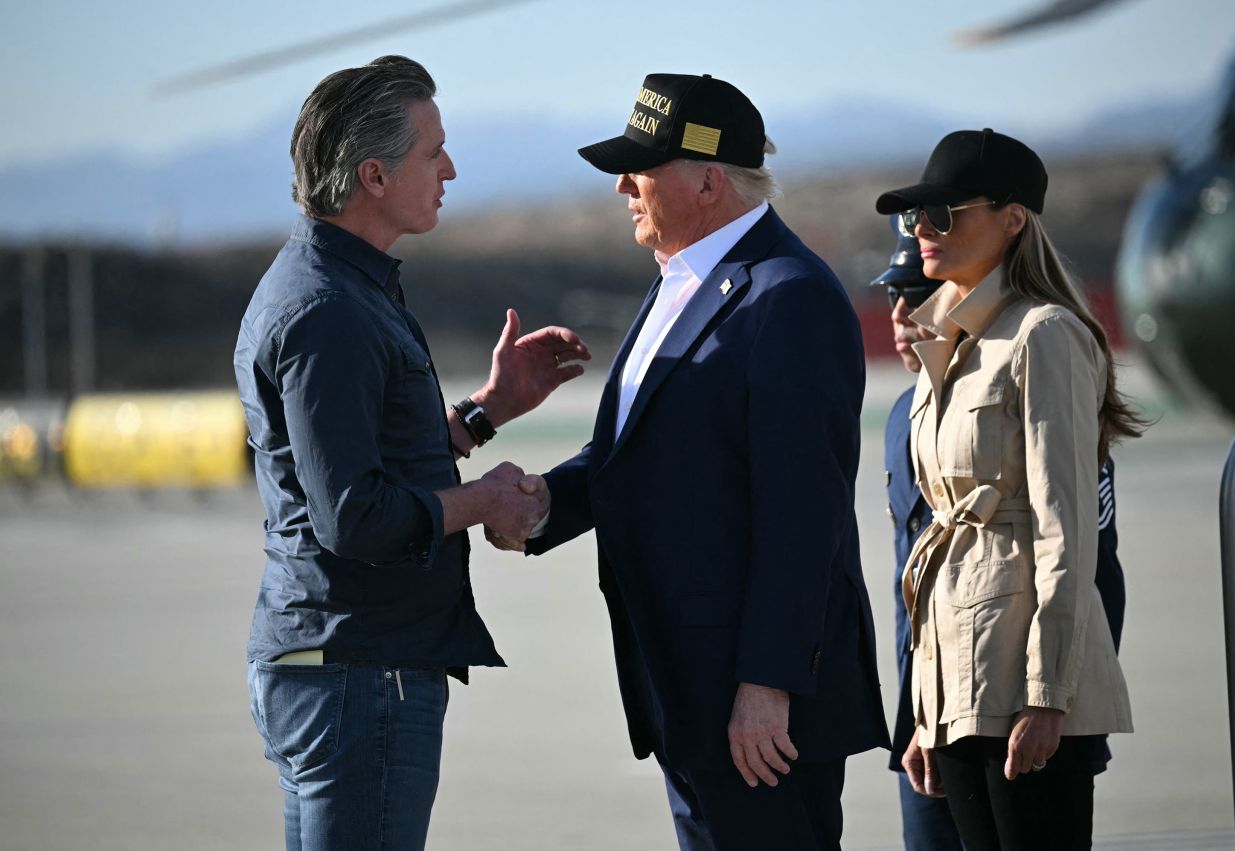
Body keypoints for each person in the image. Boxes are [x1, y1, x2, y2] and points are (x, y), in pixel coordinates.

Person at [500, 73, 890, 850]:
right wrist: (544, 502)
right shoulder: (685, 280)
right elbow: (644, 457)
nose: (621, 185)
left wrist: (769, 682)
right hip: (686, 693)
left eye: (641, 167)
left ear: (709, 180)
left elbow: (801, 513)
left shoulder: (788, 297)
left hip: (755, 708)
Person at [233, 55, 590, 851]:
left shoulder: (337, 285)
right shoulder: (328, 309)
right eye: (433, 152)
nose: (450, 169)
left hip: (340, 663)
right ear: (373, 174)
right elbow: (355, 516)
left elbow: (362, 456)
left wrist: (483, 413)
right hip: (357, 671)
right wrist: (487, 500)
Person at [874, 128, 1144, 850]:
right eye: (912, 218)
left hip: (1023, 681)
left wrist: (1049, 693)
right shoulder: (947, 345)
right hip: (955, 684)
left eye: (943, 214)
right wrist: (925, 713)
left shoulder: (1045, 335)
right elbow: (940, 537)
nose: (922, 232)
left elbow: (1068, 529)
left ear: (1013, 217)